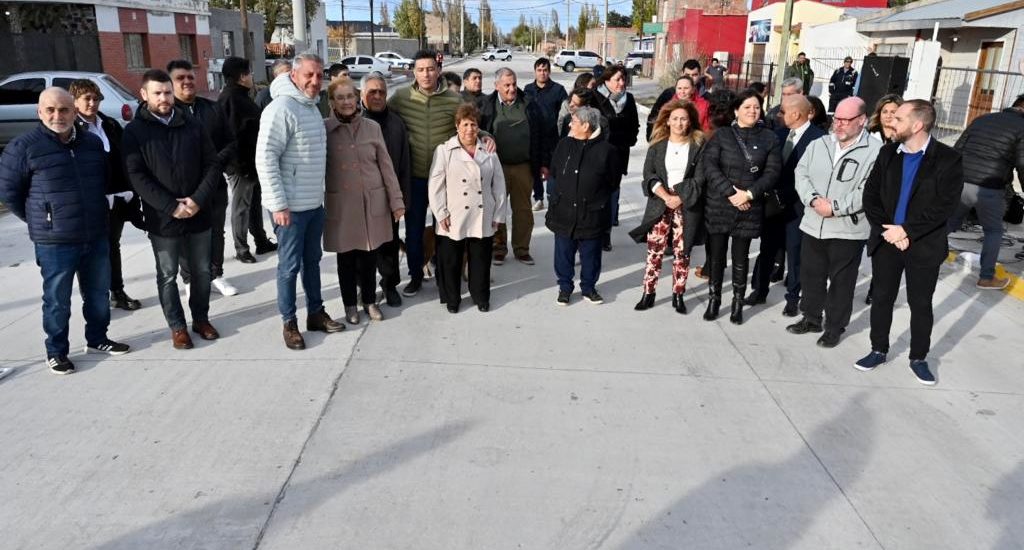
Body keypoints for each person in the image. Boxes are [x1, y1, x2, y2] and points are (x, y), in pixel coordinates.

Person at [0, 87, 130, 373]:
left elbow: (103, 182)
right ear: (39, 112)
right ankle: (56, 351)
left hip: (95, 234)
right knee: (57, 300)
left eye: (64, 109)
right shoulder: (23, 147)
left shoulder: (92, 144)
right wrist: (42, 220)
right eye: (50, 109)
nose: (57, 115)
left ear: (74, 112)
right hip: (55, 241)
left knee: (97, 294)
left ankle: (97, 338)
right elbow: (10, 193)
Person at [859, 99, 964, 385]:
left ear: (917, 125)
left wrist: (906, 231)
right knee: (882, 298)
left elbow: (945, 206)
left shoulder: (948, 159)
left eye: (900, 118)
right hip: (887, 241)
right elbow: (871, 197)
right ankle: (878, 349)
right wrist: (889, 231)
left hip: (923, 244)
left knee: (921, 304)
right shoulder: (887, 153)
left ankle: (918, 357)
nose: (892, 121)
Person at [122, 69, 222, 350]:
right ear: (144, 95)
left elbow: (212, 164)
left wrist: (197, 200)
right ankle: (177, 326)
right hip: (163, 219)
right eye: (157, 93)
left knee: (202, 271)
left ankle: (201, 319)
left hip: (198, 213)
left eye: (167, 92)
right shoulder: (135, 132)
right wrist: (170, 206)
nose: (164, 98)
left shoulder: (191, 124)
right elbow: (136, 175)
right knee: (167, 275)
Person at [256, 52, 347, 350]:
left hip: (312, 204)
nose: (314, 80)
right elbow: (266, 158)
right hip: (289, 209)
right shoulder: (281, 108)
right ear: (293, 76)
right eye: (308, 74)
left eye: (319, 75)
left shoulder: (309, 106)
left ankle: (316, 313)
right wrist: (278, 205)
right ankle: (289, 321)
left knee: (312, 262)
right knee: (289, 266)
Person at [788, 97, 881, 348]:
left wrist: (836, 208)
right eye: (836, 118)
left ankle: (834, 326)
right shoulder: (820, 144)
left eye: (845, 120)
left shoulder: (875, 151)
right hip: (813, 222)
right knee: (811, 275)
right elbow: (801, 173)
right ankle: (811, 317)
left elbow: (868, 189)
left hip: (847, 228)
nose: (838, 124)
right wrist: (814, 200)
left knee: (841, 281)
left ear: (861, 121)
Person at [388, 50, 482, 297]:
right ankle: (416, 276)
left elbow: (469, 125)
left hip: (445, 179)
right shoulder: (400, 97)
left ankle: (444, 274)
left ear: (438, 70)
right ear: (414, 72)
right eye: (420, 70)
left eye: (430, 69)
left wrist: (488, 137)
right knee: (414, 230)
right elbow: (383, 118)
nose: (426, 74)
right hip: (415, 178)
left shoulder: (453, 101)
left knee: (445, 228)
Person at [324, 77, 406, 324]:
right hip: (343, 205)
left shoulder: (372, 128)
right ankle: (350, 305)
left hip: (372, 202)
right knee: (346, 259)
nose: (347, 102)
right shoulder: (324, 129)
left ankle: (369, 301)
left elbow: (386, 167)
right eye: (341, 98)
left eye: (350, 96)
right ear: (332, 102)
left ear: (357, 98)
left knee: (370, 256)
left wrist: (396, 200)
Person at [701, 89, 781, 324]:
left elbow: (772, 172)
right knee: (716, 257)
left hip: (749, 206)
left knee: (741, 257)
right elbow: (710, 165)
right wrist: (730, 192)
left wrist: (748, 194)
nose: (752, 111)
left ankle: (737, 303)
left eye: (756, 107)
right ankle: (714, 299)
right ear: (736, 110)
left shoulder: (770, 138)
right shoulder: (722, 135)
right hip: (720, 203)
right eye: (747, 107)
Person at [746, 94, 826, 315]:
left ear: (796, 113)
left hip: (798, 207)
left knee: (795, 252)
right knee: (767, 248)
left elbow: (816, 176)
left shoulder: (819, 139)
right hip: (772, 205)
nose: (778, 115)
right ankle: (759, 291)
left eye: (783, 111)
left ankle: (793, 298)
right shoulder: (778, 135)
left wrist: (787, 195)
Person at [69, 79, 144, 312]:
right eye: (86, 99)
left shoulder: (109, 124)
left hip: (117, 199)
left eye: (96, 98)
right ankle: (92, 299)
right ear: (74, 101)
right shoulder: (71, 130)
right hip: (91, 202)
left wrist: (131, 192)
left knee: (112, 246)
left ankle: (117, 293)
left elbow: (125, 158)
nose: (92, 103)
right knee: (90, 252)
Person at [167, 59, 238, 297]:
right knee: (185, 234)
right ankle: (189, 278)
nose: (187, 81)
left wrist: (214, 164)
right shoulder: (168, 113)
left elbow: (230, 142)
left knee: (216, 231)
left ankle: (216, 273)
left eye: (190, 77)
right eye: (180, 78)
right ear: (170, 83)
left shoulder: (212, 108)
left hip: (214, 184)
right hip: (183, 188)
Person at [428, 103, 508, 313]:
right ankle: (452, 299)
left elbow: (499, 185)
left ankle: (480, 296)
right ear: (457, 126)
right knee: (450, 260)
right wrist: (440, 213)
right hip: (453, 214)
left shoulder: (489, 151)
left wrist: (499, 213)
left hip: (483, 212)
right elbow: (435, 186)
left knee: (480, 260)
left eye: (473, 125)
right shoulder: (444, 151)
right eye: (464, 125)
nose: (469, 129)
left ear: (478, 126)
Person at [629, 100, 705, 314]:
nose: (680, 123)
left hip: (686, 203)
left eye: (683, 119)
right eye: (675, 119)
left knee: (682, 251)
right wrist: (665, 195)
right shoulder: (658, 146)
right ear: (668, 122)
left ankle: (678, 293)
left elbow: (700, 178)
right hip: (660, 202)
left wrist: (679, 197)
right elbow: (648, 175)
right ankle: (648, 292)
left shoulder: (698, 145)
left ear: (690, 122)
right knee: (655, 250)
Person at [948, 93, 1024, 290]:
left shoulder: (982, 119)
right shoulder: (1022, 128)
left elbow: (957, 149)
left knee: (949, 222)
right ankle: (986, 277)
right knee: (993, 231)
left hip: (960, 182)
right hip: (989, 189)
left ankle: (920, 252)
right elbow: (1023, 165)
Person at [546, 106, 621, 305]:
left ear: (586, 125)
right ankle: (564, 287)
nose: (570, 124)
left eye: (574, 121)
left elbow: (613, 182)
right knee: (563, 254)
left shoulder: (607, 151)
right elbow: (555, 171)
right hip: (564, 211)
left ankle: (589, 288)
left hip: (592, 214)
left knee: (591, 256)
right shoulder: (564, 145)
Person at [479, 67, 552, 267]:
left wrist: (544, 163)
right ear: (497, 86)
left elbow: (543, 135)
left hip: (524, 166)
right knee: (497, 208)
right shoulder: (486, 105)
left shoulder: (530, 104)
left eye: (513, 84)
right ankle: (499, 248)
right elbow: (476, 130)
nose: (512, 89)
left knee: (523, 211)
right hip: (496, 167)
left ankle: (522, 249)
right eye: (507, 85)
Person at [361, 73, 412, 308]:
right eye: (372, 92)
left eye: (382, 91)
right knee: (364, 249)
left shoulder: (396, 123)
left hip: (389, 197)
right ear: (362, 95)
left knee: (389, 245)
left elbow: (403, 163)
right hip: (361, 199)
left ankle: (390, 285)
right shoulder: (353, 121)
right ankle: (366, 290)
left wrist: (401, 199)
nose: (378, 96)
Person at [217, 57, 273, 266]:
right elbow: (232, 137)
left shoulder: (241, 96)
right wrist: (240, 166)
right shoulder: (231, 99)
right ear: (241, 77)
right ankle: (241, 248)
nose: (251, 77)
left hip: (254, 162)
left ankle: (261, 239)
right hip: (241, 165)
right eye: (249, 73)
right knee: (241, 207)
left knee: (255, 203)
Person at [596, 65, 640, 251]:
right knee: (598, 196)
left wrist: (628, 140)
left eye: (623, 79)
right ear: (606, 81)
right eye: (617, 79)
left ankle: (606, 234)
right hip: (598, 156)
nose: (622, 83)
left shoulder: (628, 99)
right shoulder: (595, 97)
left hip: (619, 154)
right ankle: (597, 232)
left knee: (613, 195)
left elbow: (635, 125)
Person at [525, 57, 568, 211]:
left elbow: (565, 113)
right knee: (535, 167)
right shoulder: (528, 89)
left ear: (549, 72)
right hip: (534, 136)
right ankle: (538, 197)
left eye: (545, 70)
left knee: (553, 168)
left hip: (553, 137)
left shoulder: (559, 90)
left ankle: (553, 196)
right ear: (535, 71)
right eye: (539, 70)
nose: (542, 73)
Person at [647, 59, 708, 139]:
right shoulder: (669, 95)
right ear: (682, 74)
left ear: (700, 75)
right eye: (687, 74)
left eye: (694, 75)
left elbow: (708, 128)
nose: (691, 78)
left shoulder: (706, 99)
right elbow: (655, 117)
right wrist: (651, 138)